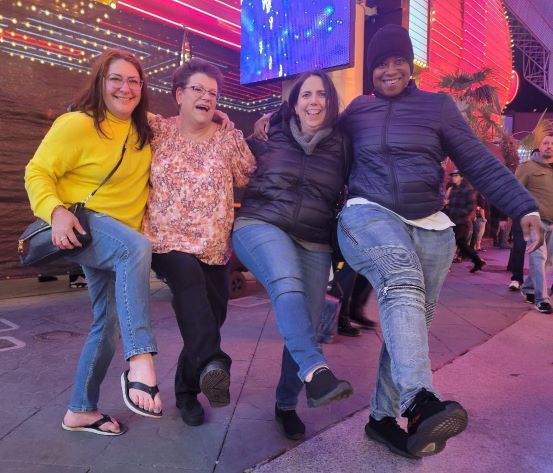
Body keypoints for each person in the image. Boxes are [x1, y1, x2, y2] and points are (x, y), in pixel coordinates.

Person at [335, 25, 543, 459]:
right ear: (370, 69)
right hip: (367, 213)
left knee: (406, 322)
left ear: (410, 67)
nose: (389, 70)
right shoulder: (356, 112)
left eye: (398, 62)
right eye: (380, 63)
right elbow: (316, 143)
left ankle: (382, 417)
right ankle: (421, 400)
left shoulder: (438, 107)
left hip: (429, 227)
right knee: (400, 277)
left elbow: (478, 162)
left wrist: (523, 207)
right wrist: (271, 126)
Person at [24, 48, 163, 436]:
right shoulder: (77, 124)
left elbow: (187, 119)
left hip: (118, 241)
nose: (125, 87)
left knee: (107, 324)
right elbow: (37, 171)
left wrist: (220, 116)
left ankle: (80, 410)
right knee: (136, 246)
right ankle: (140, 359)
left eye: (134, 81)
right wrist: (54, 210)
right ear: (100, 82)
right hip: (86, 228)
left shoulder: (146, 127)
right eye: (115, 79)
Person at [232, 70, 353, 441]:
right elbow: (230, 156)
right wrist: (222, 120)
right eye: (306, 95)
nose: (313, 101)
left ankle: (286, 405)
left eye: (320, 94)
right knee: (286, 281)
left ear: (330, 101)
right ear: (294, 101)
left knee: (305, 323)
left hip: (314, 241)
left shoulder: (344, 144)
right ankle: (316, 370)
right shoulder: (270, 132)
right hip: (260, 224)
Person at [143, 58, 256, 426]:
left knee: (208, 320)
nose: (207, 97)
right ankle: (214, 363)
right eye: (197, 89)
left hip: (214, 246)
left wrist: (235, 129)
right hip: (166, 241)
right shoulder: (157, 131)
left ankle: (189, 388)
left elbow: (248, 172)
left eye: (213, 93)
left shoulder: (225, 137)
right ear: (178, 95)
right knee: (189, 286)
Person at [515, 135, 553, 313]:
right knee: (539, 258)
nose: (549, 146)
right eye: (546, 143)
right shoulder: (527, 167)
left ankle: (529, 288)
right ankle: (542, 298)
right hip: (536, 221)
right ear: (540, 145)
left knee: (549, 261)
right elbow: (515, 192)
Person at [445, 170, 486, 272]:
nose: (453, 177)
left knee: (451, 242)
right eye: (452, 175)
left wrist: (459, 213)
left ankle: (446, 266)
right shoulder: (453, 189)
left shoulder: (468, 189)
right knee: (462, 244)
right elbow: (450, 205)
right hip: (452, 221)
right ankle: (478, 261)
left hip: (462, 222)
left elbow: (471, 206)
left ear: (461, 177)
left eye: (456, 175)